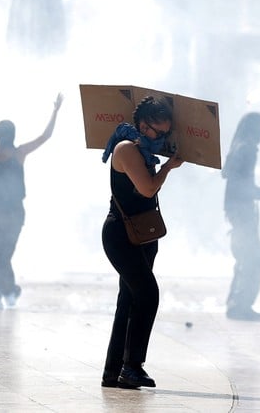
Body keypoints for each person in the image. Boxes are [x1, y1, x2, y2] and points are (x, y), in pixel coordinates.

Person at [100, 96, 184, 390]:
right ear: (142, 125)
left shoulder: (146, 152)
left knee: (129, 300)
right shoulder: (126, 149)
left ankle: (114, 372)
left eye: (165, 133)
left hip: (143, 234)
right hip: (121, 235)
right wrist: (168, 168)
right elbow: (147, 189)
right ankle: (132, 367)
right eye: (156, 132)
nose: (160, 138)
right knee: (148, 295)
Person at [0, 93, 63, 310]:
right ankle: (7, 291)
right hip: (13, 212)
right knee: (3, 253)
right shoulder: (19, 154)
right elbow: (45, 136)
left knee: (2, 252)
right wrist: (55, 111)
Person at [222, 112, 260, 321]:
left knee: (244, 257)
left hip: (235, 209)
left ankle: (235, 302)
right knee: (253, 260)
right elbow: (243, 187)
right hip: (241, 211)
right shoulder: (247, 149)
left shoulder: (238, 148)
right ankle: (241, 305)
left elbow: (239, 182)